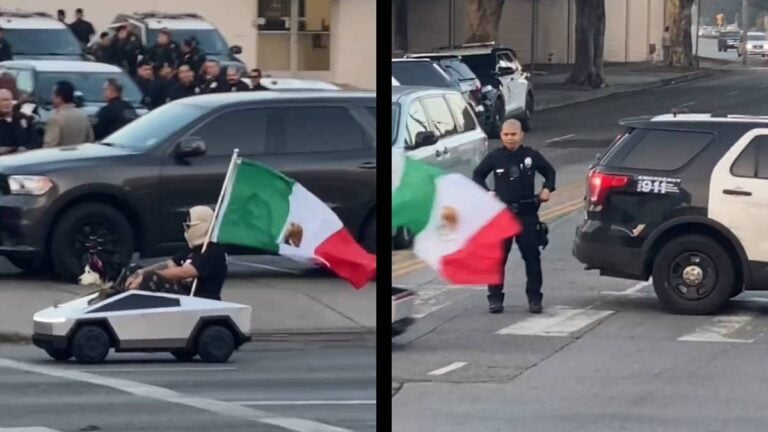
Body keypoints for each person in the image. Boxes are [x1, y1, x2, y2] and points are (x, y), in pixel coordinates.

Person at [472, 119, 556, 314]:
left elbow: (549, 172)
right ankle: (495, 298)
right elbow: (478, 175)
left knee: (532, 257)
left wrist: (547, 189)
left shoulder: (530, 156)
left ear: (521, 135)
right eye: (506, 135)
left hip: (526, 214)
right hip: (502, 214)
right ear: (501, 136)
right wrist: (487, 192)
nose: (510, 138)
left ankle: (534, 298)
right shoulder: (495, 157)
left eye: (513, 134)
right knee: (498, 258)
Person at [126, 206, 227, 301]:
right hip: (181, 294)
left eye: (189, 226)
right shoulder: (192, 249)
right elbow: (170, 264)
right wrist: (141, 272)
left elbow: (184, 272)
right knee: (133, 269)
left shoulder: (212, 251)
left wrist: (145, 277)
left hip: (197, 299)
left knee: (151, 277)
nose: (186, 229)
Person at [43, 81, 94, 148]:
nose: (51, 97)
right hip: (80, 154)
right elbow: (90, 140)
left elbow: (49, 147)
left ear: (59, 98)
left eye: (53, 94)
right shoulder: (83, 116)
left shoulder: (56, 119)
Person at [0, 89, 34, 155]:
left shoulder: (23, 121)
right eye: (3, 100)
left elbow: (35, 140)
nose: (7, 103)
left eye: (9, 100)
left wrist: (26, 148)